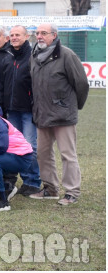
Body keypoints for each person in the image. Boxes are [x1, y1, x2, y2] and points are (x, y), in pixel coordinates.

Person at [29, 23, 89, 205]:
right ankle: (50, 189)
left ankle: (72, 192)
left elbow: (81, 84)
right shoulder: (34, 55)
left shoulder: (67, 55)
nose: (39, 36)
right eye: (37, 33)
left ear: (54, 35)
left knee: (67, 155)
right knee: (43, 153)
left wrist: (71, 107)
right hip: (42, 114)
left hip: (63, 115)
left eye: (44, 33)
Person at [0, 25, 41, 196]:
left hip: (28, 110)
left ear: (27, 36)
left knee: (30, 146)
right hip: (11, 110)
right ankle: (17, 180)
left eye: (18, 34)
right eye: (12, 35)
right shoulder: (7, 57)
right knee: (14, 146)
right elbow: (1, 84)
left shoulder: (33, 57)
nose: (14, 37)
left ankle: (32, 181)